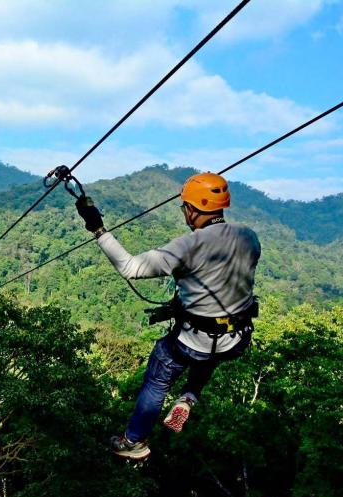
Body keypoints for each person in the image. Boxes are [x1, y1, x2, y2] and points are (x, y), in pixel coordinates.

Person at [75, 172, 261, 461]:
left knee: (161, 371)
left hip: (193, 341)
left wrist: (98, 229)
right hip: (236, 339)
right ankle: (189, 396)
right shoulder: (249, 236)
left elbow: (131, 268)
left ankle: (134, 441)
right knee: (210, 352)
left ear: (192, 209)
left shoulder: (188, 247)